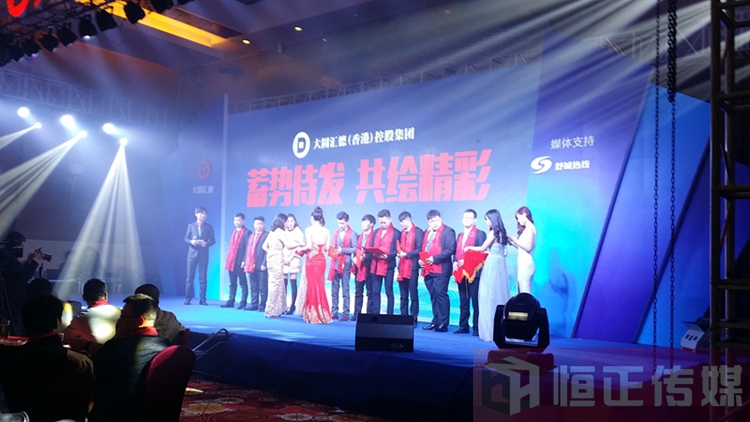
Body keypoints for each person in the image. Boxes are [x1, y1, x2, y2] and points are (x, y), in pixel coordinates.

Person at [0, 294, 94, 422]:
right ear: (57, 322)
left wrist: (59, 352)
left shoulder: (9, 359)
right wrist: (60, 352)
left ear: (23, 324)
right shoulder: (81, 363)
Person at [88, 294, 171, 422]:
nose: (119, 321)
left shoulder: (115, 348)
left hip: (115, 415)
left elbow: (91, 378)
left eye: (123, 316)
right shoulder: (167, 346)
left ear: (140, 321)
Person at [466, 209, 510, 342]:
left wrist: (469, 248)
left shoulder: (493, 233)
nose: (486, 222)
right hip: (500, 264)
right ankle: (500, 329)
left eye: (487, 219)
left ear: (492, 220)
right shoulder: (503, 233)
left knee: (488, 294)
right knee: (499, 293)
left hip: (492, 265)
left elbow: (482, 248)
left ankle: (490, 330)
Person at [419, 210, 456, 333]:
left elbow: (450, 249)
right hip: (427, 269)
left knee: (441, 295)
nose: (434, 223)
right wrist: (421, 261)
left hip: (441, 269)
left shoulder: (448, 231)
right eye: (431, 221)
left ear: (440, 219)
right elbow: (423, 249)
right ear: (428, 222)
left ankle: (443, 323)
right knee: (433, 296)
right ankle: (436, 321)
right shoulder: (426, 232)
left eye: (436, 220)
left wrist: (434, 259)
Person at [453, 209, 487, 336]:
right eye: (464, 217)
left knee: (476, 301)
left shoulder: (480, 234)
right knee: (463, 300)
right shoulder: (460, 235)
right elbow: (456, 252)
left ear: (475, 220)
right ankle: (463, 326)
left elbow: (481, 254)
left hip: (474, 273)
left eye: (469, 217)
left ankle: (477, 327)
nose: (466, 220)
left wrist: (466, 261)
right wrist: (455, 262)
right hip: (461, 272)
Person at [0, 231, 41, 335]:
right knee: (14, 323)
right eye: (21, 246)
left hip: (13, 297)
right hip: (13, 298)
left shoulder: (10, 260)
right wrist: (34, 262)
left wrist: (28, 262)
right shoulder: (9, 260)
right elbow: (24, 276)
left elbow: (20, 274)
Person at [64, 278, 121, 351]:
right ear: (106, 295)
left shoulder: (80, 319)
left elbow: (65, 338)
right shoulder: (122, 314)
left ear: (84, 297)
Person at [301, 207, 332, 324]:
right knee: (319, 286)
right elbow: (327, 248)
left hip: (311, 260)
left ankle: (313, 315)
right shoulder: (326, 231)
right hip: (321, 261)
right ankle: (323, 315)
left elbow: (309, 246)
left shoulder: (309, 229)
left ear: (312, 218)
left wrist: (300, 248)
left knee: (312, 286)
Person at [328, 211, 358, 321]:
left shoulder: (353, 233)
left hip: (346, 264)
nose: (340, 225)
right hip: (335, 264)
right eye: (338, 223)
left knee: (345, 289)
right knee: (334, 290)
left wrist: (342, 250)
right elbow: (333, 246)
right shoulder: (336, 233)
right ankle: (334, 312)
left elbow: (355, 248)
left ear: (347, 222)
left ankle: (346, 313)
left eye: (342, 223)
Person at [369, 209, 400, 315]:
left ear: (390, 219)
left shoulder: (396, 233)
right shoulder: (376, 232)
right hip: (376, 264)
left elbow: (397, 250)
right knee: (375, 291)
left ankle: (389, 315)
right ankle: (376, 314)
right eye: (381, 222)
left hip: (388, 265)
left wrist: (388, 255)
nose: (383, 225)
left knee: (389, 291)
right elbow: (372, 245)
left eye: (384, 222)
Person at [396, 211, 423, 327]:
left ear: (408, 220)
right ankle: (403, 317)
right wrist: (400, 253)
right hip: (402, 267)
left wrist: (406, 254)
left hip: (412, 267)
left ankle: (413, 318)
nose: (401, 224)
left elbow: (419, 249)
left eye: (402, 222)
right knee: (403, 295)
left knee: (413, 294)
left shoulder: (418, 231)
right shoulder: (402, 233)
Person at [184, 206, 215, 306]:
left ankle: (202, 299)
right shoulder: (191, 226)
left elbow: (213, 240)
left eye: (205, 213)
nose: (203, 215)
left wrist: (206, 244)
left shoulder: (209, 227)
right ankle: (188, 298)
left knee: (203, 277)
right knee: (190, 277)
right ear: (196, 214)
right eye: (201, 213)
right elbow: (186, 238)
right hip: (192, 254)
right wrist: (191, 241)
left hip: (203, 254)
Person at [262, 214, 289, 318]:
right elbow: (289, 245)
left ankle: (278, 309)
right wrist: (300, 244)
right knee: (276, 284)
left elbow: (264, 246)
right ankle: (271, 310)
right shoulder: (280, 232)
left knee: (276, 283)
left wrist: (272, 252)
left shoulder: (272, 232)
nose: (287, 224)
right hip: (277, 260)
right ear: (283, 222)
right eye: (286, 222)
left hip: (270, 259)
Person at [222, 213, 250, 309]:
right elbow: (230, 248)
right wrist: (227, 260)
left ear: (243, 221)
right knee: (232, 283)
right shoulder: (233, 232)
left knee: (243, 283)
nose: (236, 222)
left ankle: (243, 302)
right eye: (235, 220)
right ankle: (231, 300)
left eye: (238, 220)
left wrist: (244, 260)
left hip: (240, 262)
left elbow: (247, 248)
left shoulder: (247, 233)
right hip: (231, 261)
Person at [351, 214, 376, 321]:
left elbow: (374, 252)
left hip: (370, 267)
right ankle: (357, 314)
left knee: (370, 293)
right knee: (358, 292)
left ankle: (369, 315)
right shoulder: (359, 236)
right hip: (359, 267)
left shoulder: (375, 236)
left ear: (372, 224)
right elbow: (356, 250)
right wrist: (354, 258)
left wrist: (366, 257)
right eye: (362, 221)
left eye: (366, 222)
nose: (363, 224)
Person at [508, 206, 536, 295]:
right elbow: (522, 247)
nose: (518, 221)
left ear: (524, 214)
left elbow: (528, 247)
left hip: (526, 265)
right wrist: (512, 242)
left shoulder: (529, 228)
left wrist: (515, 239)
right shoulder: (528, 228)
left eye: (518, 218)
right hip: (523, 264)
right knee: (522, 290)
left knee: (525, 292)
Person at [244, 216, 269, 312]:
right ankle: (254, 304)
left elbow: (267, 251)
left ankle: (262, 305)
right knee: (253, 286)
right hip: (251, 264)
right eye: (257, 224)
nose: (259, 225)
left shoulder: (267, 235)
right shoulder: (251, 235)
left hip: (261, 265)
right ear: (254, 224)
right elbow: (247, 250)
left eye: (261, 224)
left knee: (263, 287)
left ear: (264, 224)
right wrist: (245, 262)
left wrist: (264, 263)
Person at [282, 213, 304, 315]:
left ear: (295, 221)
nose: (290, 223)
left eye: (292, 221)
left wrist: (290, 258)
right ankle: (283, 305)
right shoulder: (283, 231)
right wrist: (284, 258)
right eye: (288, 221)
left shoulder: (298, 231)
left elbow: (300, 247)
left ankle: (292, 306)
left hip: (294, 258)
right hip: (284, 258)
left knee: (293, 282)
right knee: (284, 283)